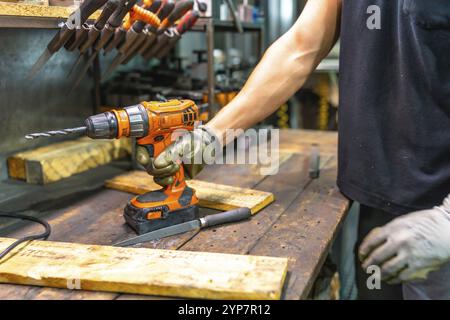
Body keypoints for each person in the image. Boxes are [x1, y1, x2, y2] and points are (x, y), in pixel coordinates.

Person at [138, 0, 450, 299]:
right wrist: (213, 134)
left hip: (440, 213)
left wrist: (447, 223)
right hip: (381, 196)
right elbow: (300, 48)